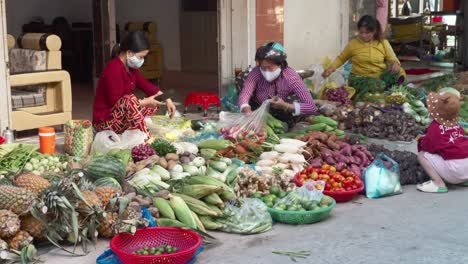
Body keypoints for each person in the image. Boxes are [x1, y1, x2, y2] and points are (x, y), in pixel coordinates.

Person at [93, 31, 176, 140]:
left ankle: (137, 126)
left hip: (122, 116)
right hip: (105, 123)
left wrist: (167, 99)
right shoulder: (113, 69)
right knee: (131, 99)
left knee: (155, 101)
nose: (142, 61)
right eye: (141, 57)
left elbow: (147, 86)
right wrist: (145, 102)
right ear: (129, 53)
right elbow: (116, 102)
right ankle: (147, 138)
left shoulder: (131, 69)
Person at [323, 15, 405, 101]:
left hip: (379, 76)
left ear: (374, 31)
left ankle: (393, 93)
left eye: (367, 33)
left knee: (400, 73)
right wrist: (330, 69)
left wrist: (395, 63)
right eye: (361, 32)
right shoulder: (353, 44)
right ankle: (362, 97)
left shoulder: (383, 43)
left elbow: (392, 58)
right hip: (359, 79)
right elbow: (341, 58)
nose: (363, 35)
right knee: (377, 84)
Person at [237, 42, 317, 127]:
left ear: (281, 64)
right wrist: (246, 110)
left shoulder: (291, 76)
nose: (266, 72)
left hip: (282, 110)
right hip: (259, 106)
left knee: (294, 101)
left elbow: (311, 107)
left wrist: (286, 106)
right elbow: (245, 94)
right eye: (263, 67)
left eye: (270, 67)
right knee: (241, 78)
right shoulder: (256, 72)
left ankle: (287, 124)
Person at [416, 90, 468, 193]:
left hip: (454, 171)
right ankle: (463, 179)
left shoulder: (435, 128)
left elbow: (427, 147)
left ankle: (438, 183)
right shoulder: (457, 125)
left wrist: (422, 140)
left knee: (422, 155)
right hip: (466, 169)